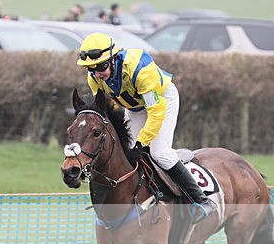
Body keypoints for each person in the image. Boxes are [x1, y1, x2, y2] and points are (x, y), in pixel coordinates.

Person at [77, 33, 216, 223]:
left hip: (162, 101)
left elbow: (156, 111)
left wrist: (142, 141)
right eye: (90, 69)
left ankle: (201, 199)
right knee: (125, 154)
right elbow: (109, 110)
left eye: (100, 66)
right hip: (134, 107)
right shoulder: (95, 79)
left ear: (113, 58)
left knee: (160, 154)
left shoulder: (140, 70)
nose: (97, 73)